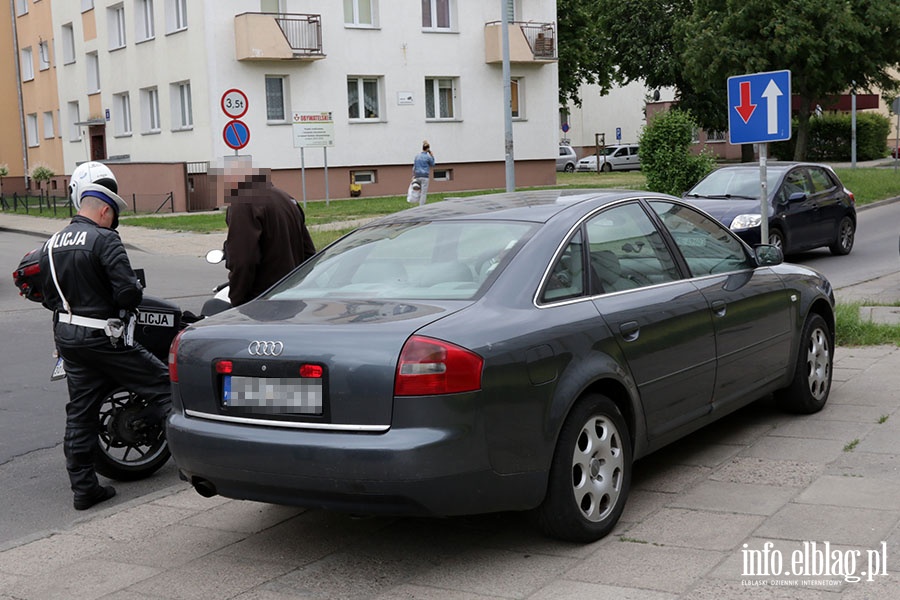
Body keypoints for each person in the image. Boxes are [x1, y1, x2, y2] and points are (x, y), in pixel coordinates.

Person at [38, 161, 171, 510]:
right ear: (104, 210)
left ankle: (84, 489)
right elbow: (128, 292)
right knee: (164, 387)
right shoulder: (104, 238)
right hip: (105, 338)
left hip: (68, 337)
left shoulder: (51, 243)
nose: (114, 221)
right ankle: (194, 466)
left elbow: (48, 296)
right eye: (112, 215)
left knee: (80, 413)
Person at [220, 156, 316, 306]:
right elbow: (309, 253)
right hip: (292, 296)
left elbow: (243, 259)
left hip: (262, 301)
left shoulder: (244, 203)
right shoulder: (287, 199)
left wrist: (237, 299)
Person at [412, 140, 435, 206]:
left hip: (417, 175)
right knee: (423, 193)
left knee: (417, 191)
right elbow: (433, 164)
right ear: (428, 149)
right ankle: (421, 206)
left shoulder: (417, 156)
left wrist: (413, 175)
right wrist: (432, 156)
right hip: (425, 176)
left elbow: (414, 167)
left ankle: (415, 201)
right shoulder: (428, 157)